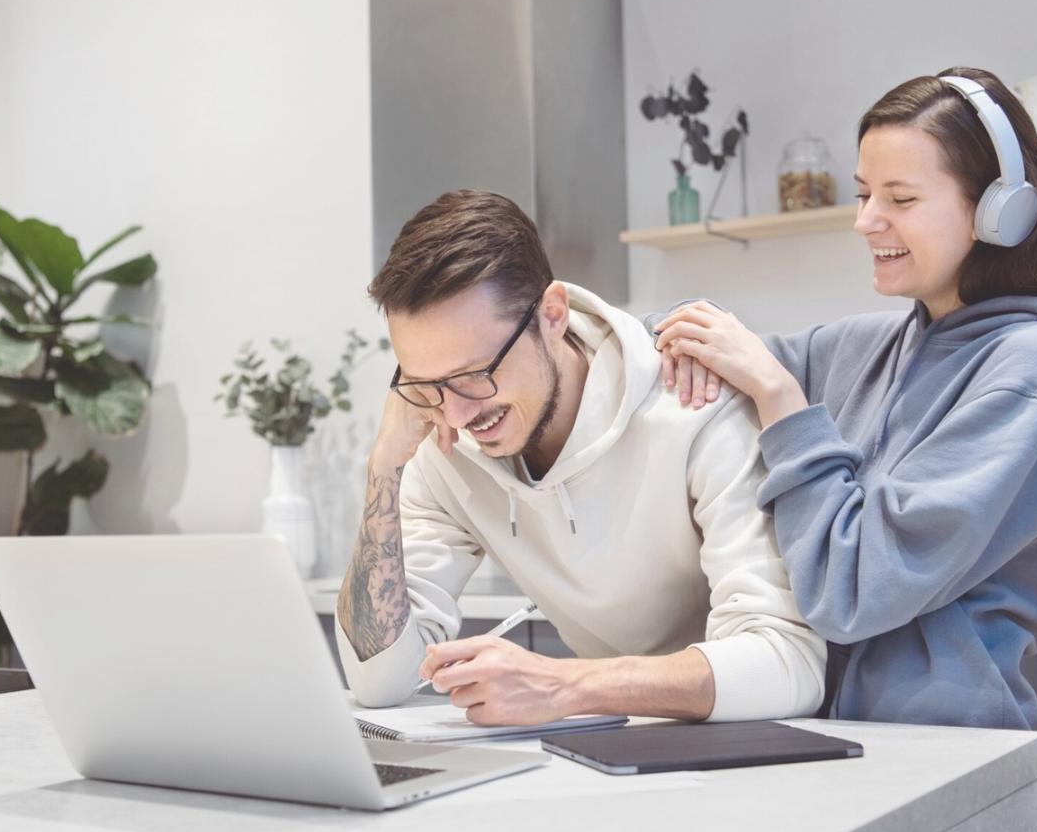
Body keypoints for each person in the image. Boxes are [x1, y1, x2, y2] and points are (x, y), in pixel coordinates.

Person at [648, 67, 1037, 832]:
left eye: (901, 198)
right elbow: (681, 361)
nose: (866, 220)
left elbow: (854, 591)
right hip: (840, 764)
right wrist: (582, 335)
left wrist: (777, 397)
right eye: (862, 192)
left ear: (999, 208)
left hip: (954, 776)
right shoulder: (876, 344)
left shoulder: (1030, 366)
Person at [336, 190, 826, 727]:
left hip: (744, 749)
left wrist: (563, 684)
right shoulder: (445, 446)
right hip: (602, 742)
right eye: (426, 383)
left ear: (552, 313)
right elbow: (376, 682)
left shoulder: (691, 403)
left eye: (476, 374)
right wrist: (384, 467)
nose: (455, 414)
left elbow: (788, 665)